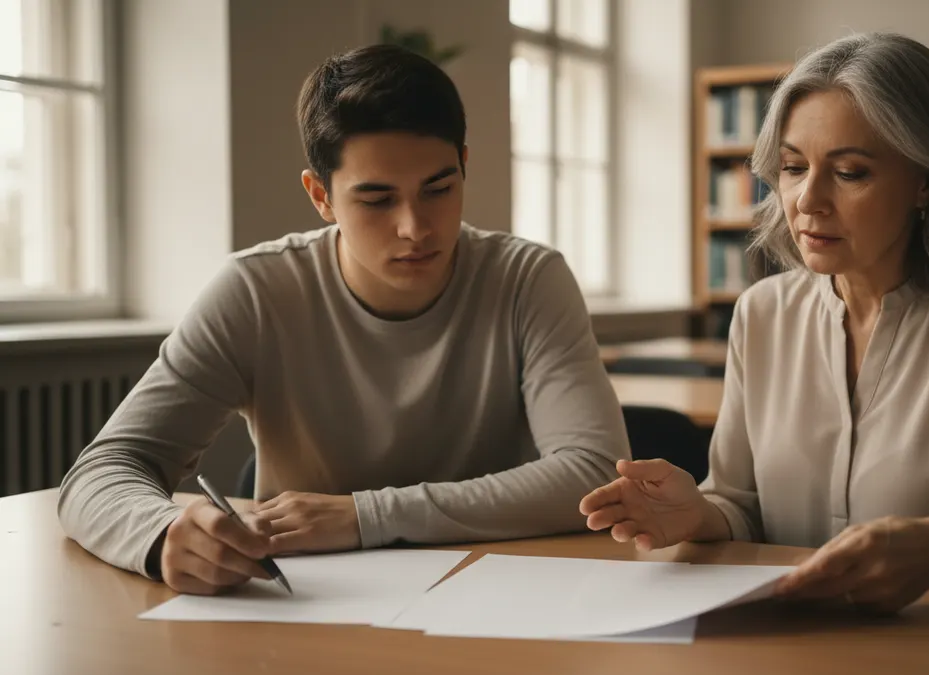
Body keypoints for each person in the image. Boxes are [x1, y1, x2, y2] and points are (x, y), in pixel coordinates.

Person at [580, 32, 929, 613]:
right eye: (795, 167)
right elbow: (741, 504)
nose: (807, 200)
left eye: (850, 173)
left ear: (926, 180)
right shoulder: (761, 313)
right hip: (783, 645)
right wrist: (699, 512)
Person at [58, 45, 631, 596]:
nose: (415, 227)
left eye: (439, 189)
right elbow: (104, 469)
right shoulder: (256, 290)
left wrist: (366, 516)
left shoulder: (528, 278)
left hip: (501, 594)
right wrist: (160, 535)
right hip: (305, 608)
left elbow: (592, 471)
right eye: (377, 200)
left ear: (464, 166)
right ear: (321, 196)